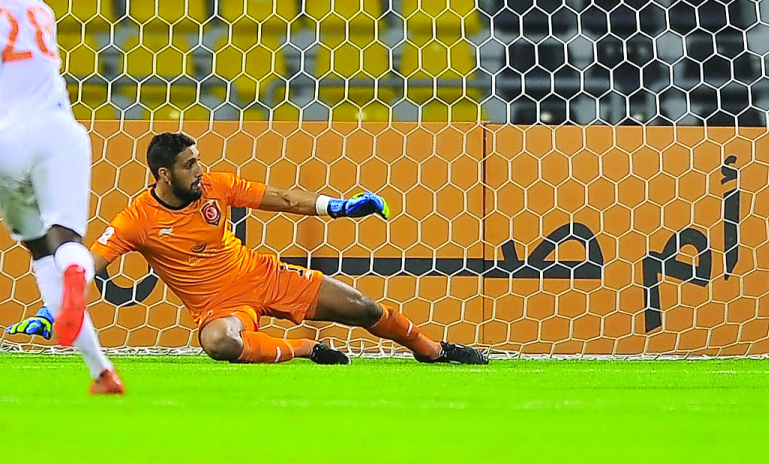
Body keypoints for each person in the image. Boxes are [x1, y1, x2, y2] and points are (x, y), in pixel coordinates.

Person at [30, 132, 489, 366]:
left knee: (364, 308)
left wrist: (340, 207)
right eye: (190, 165)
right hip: (219, 308)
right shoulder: (136, 219)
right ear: (164, 175)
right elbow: (90, 261)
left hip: (264, 276)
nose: (200, 170)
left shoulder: (217, 186)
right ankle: (304, 350)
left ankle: (431, 350)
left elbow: (285, 200)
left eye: (199, 160)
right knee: (219, 344)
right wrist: (57, 308)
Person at [0, 0, 123, 394]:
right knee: (66, 242)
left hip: (4, 138)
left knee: (37, 252)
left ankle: (102, 372)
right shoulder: (38, 7)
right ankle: (75, 271)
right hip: (59, 130)